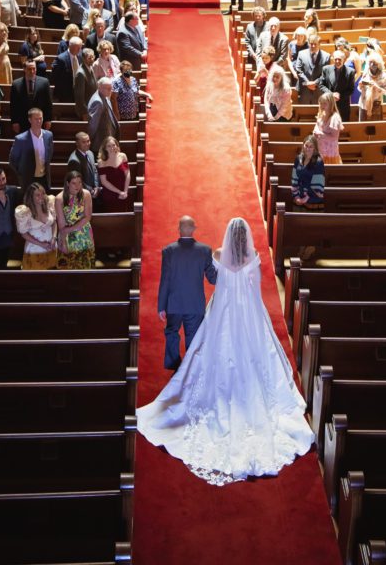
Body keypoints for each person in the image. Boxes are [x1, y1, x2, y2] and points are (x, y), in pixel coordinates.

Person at [137, 217, 314, 485]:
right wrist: (256, 316)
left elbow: (217, 281)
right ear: (247, 237)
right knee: (256, 357)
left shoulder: (219, 253)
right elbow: (254, 290)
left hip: (224, 310)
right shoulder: (253, 255)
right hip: (248, 311)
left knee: (210, 354)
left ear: (229, 236)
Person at [154, 214, 217, 371]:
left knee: (172, 333)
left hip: (174, 303)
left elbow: (165, 280)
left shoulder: (169, 251)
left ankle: (173, 364)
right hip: (195, 303)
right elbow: (213, 278)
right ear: (194, 229)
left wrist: (161, 306)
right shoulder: (205, 250)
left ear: (179, 230)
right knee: (193, 336)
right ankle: (191, 367)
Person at [56, 170, 95, 270]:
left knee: (86, 265)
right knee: (68, 265)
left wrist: (70, 229)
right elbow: (61, 224)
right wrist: (64, 241)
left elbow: (87, 217)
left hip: (84, 232)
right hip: (67, 235)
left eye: (80, 182)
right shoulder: (59, 198)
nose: (77, 186)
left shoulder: (86, 194)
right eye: (74, 183)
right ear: (67, 183)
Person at [9, 107, 54, 192]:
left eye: (40, 118)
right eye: (36, 119)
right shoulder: (21, 139)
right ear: (30, 120)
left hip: (44, 178)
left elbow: (49, 154)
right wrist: (22, 174)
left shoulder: (48, 136)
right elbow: (13, 160)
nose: (39, 121)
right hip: (28, 180)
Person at [15, 182, 58, 270]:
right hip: (35, 249)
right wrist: (41, 244)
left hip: (51, 247)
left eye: (43, 193)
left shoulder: (49, 205)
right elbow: (24, 234)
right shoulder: (25, 212)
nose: (41, 197)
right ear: (31, 197)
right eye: (37, 195)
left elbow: (54, 223)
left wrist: (54, 237)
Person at [10, 60, 53, 134]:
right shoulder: (16, 84)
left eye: (34, 69)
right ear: (24, 69)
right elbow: (13, 105)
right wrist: (15, 121)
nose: (32, 71)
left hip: (39, 120)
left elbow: (48, 102)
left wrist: (48, 119)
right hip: (23, 121)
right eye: (29, 69)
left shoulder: (44, 82)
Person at [319, 48, 356, 123]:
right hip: (328, 104)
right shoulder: (326, 69)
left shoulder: (350, 72)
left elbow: (351, 89)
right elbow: (321, 85)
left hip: (343, 105)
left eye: (339, 59)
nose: (337, 61)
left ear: (344, 59)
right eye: (335, 59)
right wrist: (331, 95)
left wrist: (339, 96)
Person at [87, 75, 121, 153]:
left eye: (111, 88)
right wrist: (89, 141)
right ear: (100, 87)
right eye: (108, 89)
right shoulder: (98, 102)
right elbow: (93, 125)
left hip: (107, 141)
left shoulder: (104, 96)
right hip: (101, 144)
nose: (110, 91)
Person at [96, 135, 131, 209]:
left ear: (116, 145)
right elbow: (104, 181)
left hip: (123, 191)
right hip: (109, 194)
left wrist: (125, 191)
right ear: (105, 148)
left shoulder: (123, 156)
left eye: (113, 145)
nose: (112, 148)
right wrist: (119, 192)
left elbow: (127, 174)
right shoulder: (101, 162)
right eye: (109, 146)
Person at [295, 34, 330, 104]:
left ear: (319, 44)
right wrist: (307, 83)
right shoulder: (301, 54)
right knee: (303, 112)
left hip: (318, 91)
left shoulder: (326, 56)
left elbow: (325, 74)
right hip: (304, 90)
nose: (313, 46)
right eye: (311, 44)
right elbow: (298, 70)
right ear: (308, 43)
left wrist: (315, 83)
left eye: (315, 44)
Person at [292, 135, 325, 208]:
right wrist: (296, 196)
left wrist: (305, 199)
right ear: (303, 145)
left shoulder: (318, 162)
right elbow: (294, 179)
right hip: (299, 196)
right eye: (306, 145)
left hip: (313, 199)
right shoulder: (298, 158)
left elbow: (318, 186)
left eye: (311, 146)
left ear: (315, 149)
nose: (308, 149)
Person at [358, 51, 386, 121]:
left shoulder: (384, 76)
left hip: (376, 105)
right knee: (363, 128)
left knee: (376, 129)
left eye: (375, 63)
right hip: (364, 105)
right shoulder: (365, 74)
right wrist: (360, 86)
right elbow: (360, 89)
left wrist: (377, 88)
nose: (372, 65)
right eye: (370, 62)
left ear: (378, 64)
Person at [67, 131, 100, 201]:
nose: (87, 144)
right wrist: (91, 191)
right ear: (77, 143)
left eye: (88, 141)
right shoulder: (74, 160)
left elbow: (95, 171)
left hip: (93, 192)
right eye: (84, 142)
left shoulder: (90, 153)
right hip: (81, 195)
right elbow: (78, 181)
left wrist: (96, 186)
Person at [51, 35, 83, 103]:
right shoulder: (61, 59)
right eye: (78, 47)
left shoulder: (80, 57)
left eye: (80, 47)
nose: (80, 50)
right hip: (64, 95)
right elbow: (54, 78)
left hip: (78, 94)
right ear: (71, 46)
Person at [314, 91, 343, 165]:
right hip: (321, 150)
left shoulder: (334, 118)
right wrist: (315, 132)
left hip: (330, 153)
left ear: (331, 104)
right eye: (321, 103)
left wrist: (320, 134)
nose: (322, 105)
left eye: (324, 103)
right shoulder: (322, 113)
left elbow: (334, 137)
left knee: (328, 172)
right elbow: (317, 126)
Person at [74, 46, 97, 118]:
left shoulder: (90, 67)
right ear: (83, 59)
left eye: (93, 57)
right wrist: (84, 112)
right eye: (89, 58)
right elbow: (79, 97)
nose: (92, 59)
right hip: (86, 111)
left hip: (92, 107)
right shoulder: (81, 73)